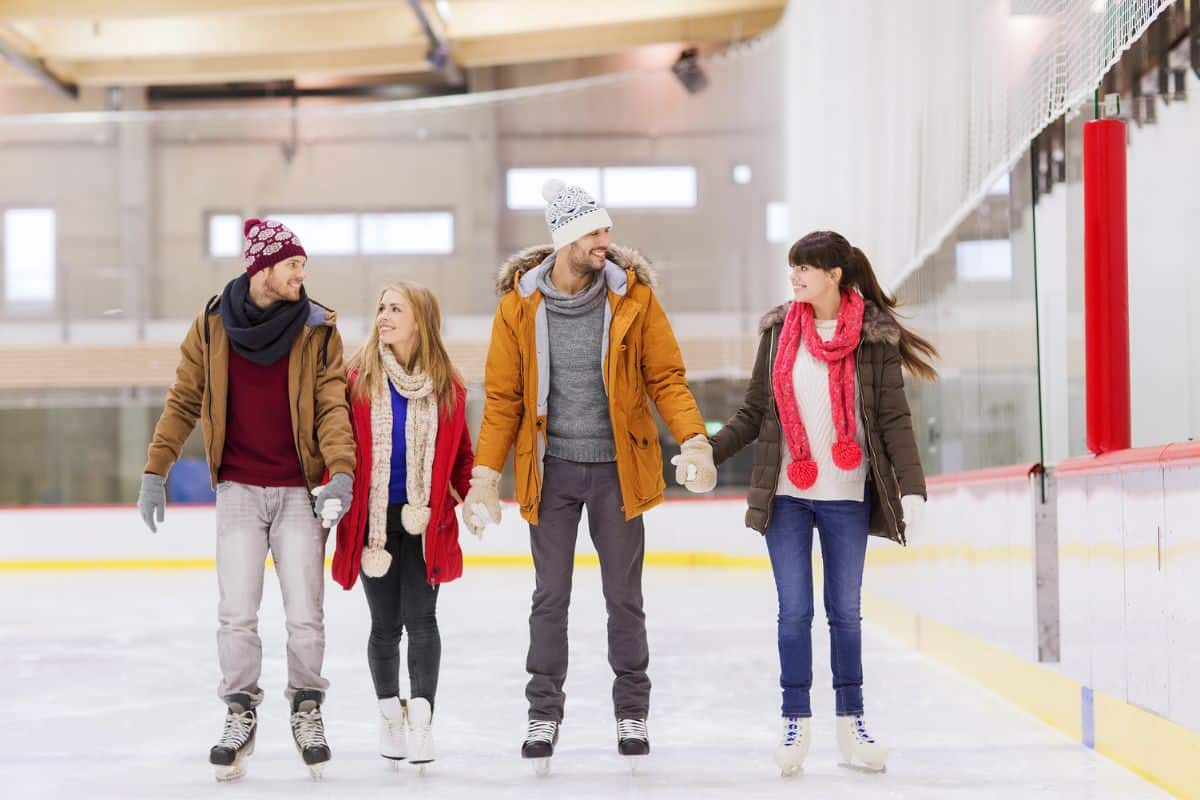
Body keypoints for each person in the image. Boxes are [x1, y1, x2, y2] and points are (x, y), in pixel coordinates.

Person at [463, 178, 717, 773]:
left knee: (624, 599)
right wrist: (483, 476)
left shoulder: (634, 299)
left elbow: (667, 380)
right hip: (550, 474)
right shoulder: (518, 308)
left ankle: (632, 709)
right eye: (596, 231)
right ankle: (543, 712)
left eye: (606, 229)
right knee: (549, 598)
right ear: (567, 237)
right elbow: (502, 400)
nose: (607, 240)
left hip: (617, 473)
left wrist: (696, 440)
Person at [709, 230, 937, 776]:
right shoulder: (778, 332)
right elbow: (752, 412)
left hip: (845, 496)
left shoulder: (872, 340)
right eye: (792, 269)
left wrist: (912, 489)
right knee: (794, 613)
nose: (796, 278)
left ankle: (852, 723)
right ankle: (795, 721)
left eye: (805, 268)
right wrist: (708, 451)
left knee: (846, 614)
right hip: (786, 495)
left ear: (835, 274)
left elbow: (893, 421)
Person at [136, 218, 355, 782]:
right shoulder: (212, 326)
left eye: (303, 265)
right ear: (262, 267)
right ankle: (240, 713)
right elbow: (184, 398)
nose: (302, 274)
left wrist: (341, 470)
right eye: (293, 264)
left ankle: (307, 707)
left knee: (306, 613)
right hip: (237, 488)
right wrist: (155, 469)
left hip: (300, 492)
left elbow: (333, 405)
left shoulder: (316, 327)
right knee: (236, 613)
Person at [331, 281, 474, 773]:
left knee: (424, 621)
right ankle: (390, 713)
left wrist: (471, 494)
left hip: (425, 522)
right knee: (385, 626)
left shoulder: (448, 386)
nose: (383, 316)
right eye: (380, 308)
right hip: (372, 523)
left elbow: (462, 458)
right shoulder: (356, 378)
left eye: (395, 308)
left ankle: (423, 721)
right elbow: (337, 445)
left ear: (421, 319)